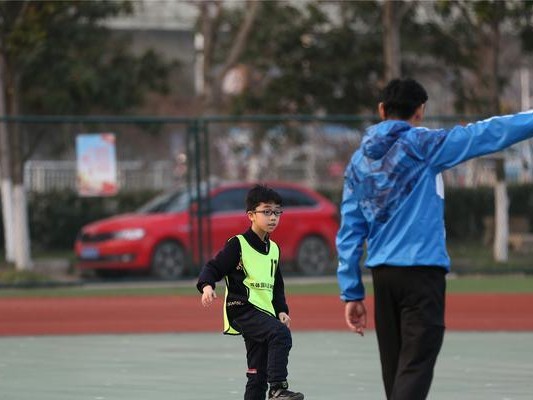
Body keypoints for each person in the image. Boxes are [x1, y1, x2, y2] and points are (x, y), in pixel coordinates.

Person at [336, 78, 533, 400]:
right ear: (420, 111)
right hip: (422, 274)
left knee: (396, 370)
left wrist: (352, 291)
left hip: (384, 277)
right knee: (415, 366)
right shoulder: (424, 145)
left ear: (381, 110)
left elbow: (349, 231)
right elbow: (488, 133)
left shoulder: (359, 162)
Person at [197, 184, 304, 400]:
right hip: (243, 310)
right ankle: (278, 388)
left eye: (277, 212)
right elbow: (213, 267)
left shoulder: (273, 249)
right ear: (251, 215)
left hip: (264, 314)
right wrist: (207, 285)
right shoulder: (238, 244)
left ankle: (269, 386)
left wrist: (281, 309)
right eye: (266, 211)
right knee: (280, 334)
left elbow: (277, 285)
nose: (273, 217)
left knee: (257, 375)